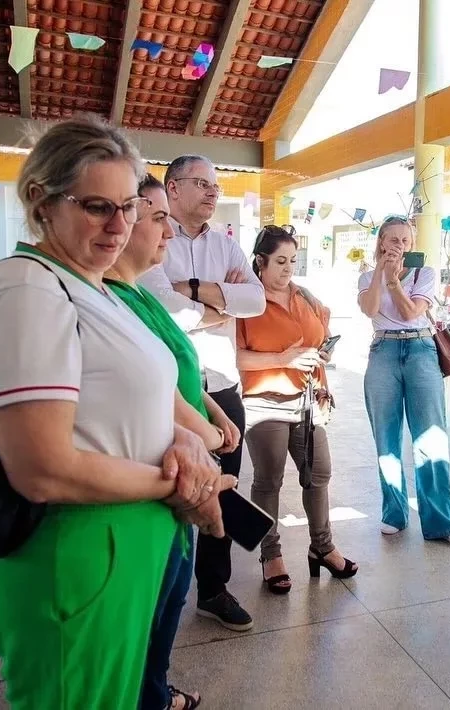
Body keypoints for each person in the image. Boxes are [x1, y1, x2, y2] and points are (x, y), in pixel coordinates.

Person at [0, 115, 235, 709]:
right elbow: (44, 469)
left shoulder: (96, 288)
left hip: (126, 551)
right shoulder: (29, 289)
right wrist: (180, 482)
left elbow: (145, 401)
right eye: (96, 207)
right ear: (41, 200)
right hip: (77, 561)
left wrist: (191, 444)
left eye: (128, 207)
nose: (119, 226)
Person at [105, 173, 242, 710]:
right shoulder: (114, 298)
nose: (167, 232)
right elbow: (151, 386)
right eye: (157, 217)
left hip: (183, 461)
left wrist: (207, 410)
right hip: (157, 473)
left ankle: (156, 696)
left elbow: (172, 362)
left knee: (165, 607)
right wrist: (204, 432)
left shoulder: (141, 294)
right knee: (148, 614)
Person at [139, 155, 266, 632]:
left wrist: (194, 287)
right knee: (175, 486)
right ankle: (160, 588)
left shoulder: (227, 245)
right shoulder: (153, 236)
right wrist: (218, 307)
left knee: (224, 490)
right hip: (174, 387)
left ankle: (213, 588)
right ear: (172, 189)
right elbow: (165, 311)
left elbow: (255, 300)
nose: (213, 193)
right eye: (201, 183)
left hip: (223, 386)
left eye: (216, 184)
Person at [236, 225, 358, 595]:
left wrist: (322, 361)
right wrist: (283, 358)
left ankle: (322, 547)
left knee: (318, 474)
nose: (288, 269)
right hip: (264, 403)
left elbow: (322, 340)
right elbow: (235, 356)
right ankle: (270, 555)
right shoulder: (246, 301)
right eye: (280, 261)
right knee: (269, 479)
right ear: (260, 261)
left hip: (306, 402)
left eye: (293, 260)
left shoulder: (304, 296)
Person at [356, 215, 450, 549]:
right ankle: (394, 512)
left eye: (406, 240)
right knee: (386, 437)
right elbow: (370, 309)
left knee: (431, 436)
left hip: (421, 348)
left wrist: (395, 282)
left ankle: (442, 522)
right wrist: (382, 273)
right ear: (381, 241)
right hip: (383, 350)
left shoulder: (426, 274)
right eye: (393, 239)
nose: (400, 246)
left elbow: (411, 313)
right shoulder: (367, 276)